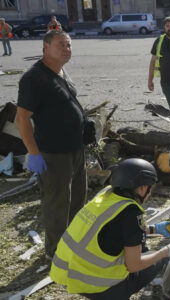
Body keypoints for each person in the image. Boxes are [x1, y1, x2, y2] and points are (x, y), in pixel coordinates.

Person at [50, 158, 170, 299]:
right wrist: (166, 252)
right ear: (142, 188)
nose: (150, 193)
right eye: (150, 188)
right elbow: (134, 266)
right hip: (97, 285)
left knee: (142, 248)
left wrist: (154, 229)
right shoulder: (131, 213)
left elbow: (111, 231)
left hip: (70, 274)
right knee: (158, 260)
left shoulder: (106, 196)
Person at [16, 30, 87, 258]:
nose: (66, 49)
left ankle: (74, 245)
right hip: (53, 154)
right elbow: (22, 118)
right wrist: (33, 153)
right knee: (57, 205)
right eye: (61, 45)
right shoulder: (34, 78)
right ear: (45, 48)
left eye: (69, 45)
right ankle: (55, 253)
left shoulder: (61, 72)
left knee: (77, 200)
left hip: (76, 150)